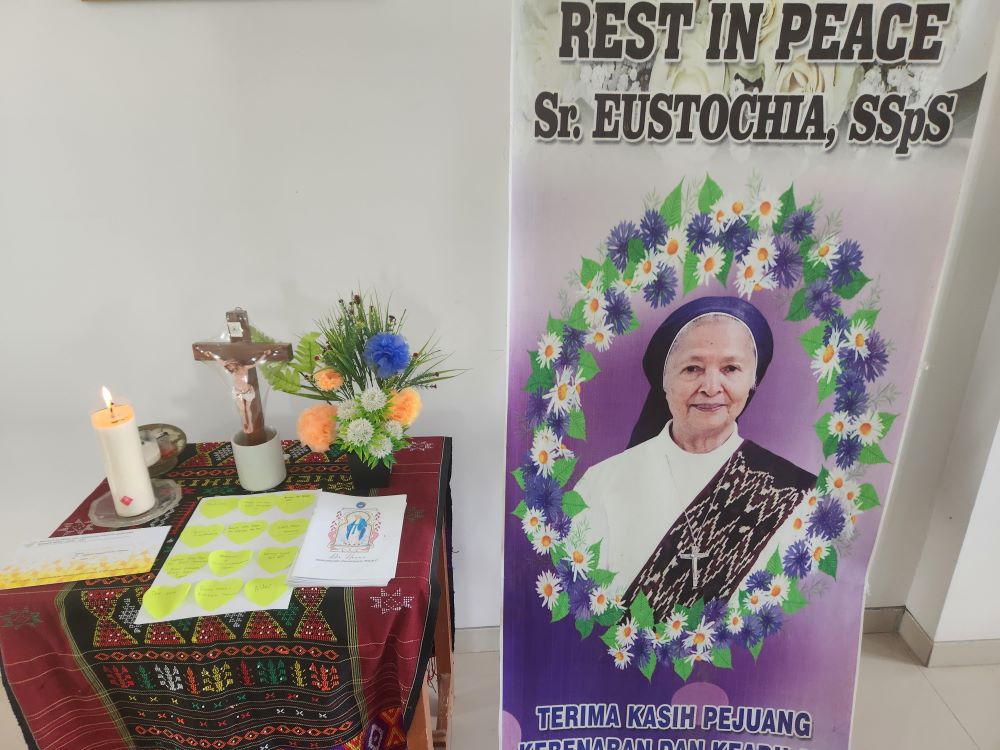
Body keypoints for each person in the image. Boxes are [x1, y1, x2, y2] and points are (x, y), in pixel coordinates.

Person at [571, 296, 815, 621]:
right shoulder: (601, 483)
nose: (712, 387)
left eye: (730, 368)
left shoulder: (798, 496)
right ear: (665, 381)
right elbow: (579, 608)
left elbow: (791, 619)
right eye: (692, 368)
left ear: (752, 381)